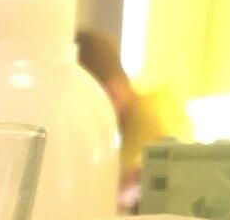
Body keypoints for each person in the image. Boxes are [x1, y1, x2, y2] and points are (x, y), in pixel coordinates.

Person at [76, 28, 190, 210]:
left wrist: (115, 192)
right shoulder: (121, 126)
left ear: (113, 90)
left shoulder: (154, 112)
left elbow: (155, 175)